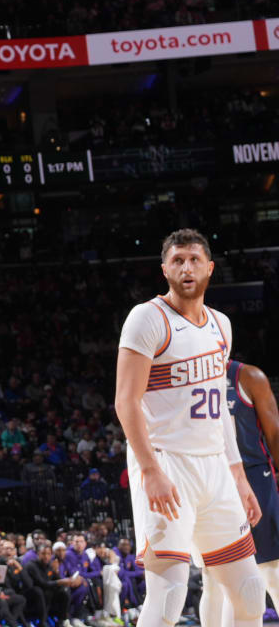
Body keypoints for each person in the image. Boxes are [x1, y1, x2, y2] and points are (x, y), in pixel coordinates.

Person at [114, 229, 264, 627]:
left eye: (194, 259)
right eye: (177, 260)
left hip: (215, 467)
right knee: (168, 598)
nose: (186, 267)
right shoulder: (147, 318)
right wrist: (149, 471)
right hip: (167, 464)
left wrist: (240, 476)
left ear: (210, 268)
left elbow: (221, 413)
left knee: (250, 595)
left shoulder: (221, 325)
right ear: (164, 269)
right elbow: (125, 401)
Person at [204, 357, 279, 627]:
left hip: (254, 477)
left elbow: (274, 433)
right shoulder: (188, 377)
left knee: (272, 571)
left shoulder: (248, 377)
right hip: (211, 481)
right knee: (214, 580)